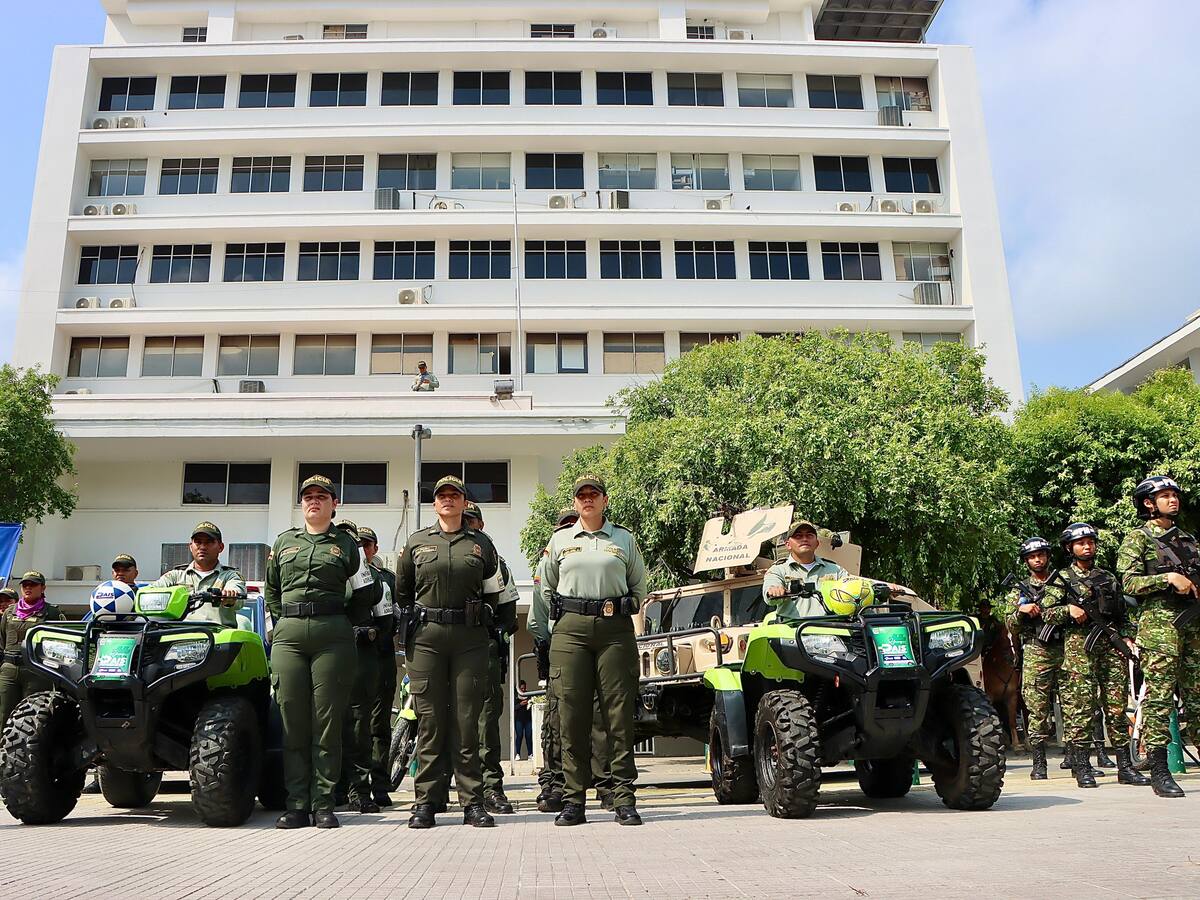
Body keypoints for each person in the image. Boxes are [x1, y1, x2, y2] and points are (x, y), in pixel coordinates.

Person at [399, 475, 505, 829]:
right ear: (435, 504)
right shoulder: (416, 543)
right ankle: (426, 802)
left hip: (468, 639)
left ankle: (472, 803)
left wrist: (484, 617)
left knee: (466, 722)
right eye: (441, 495)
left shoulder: (481, 544)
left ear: (463, 502)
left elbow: (494, 591)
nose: (448, 500)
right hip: (427, 639)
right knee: (430, 722)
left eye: (454, 495)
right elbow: (403, 592)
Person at [266, 474, 370, 830]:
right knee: (292, 720)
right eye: (308, 496)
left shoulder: (347, 545)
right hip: (289, 636)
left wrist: (341, 620)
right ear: (302, 504)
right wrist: (285, 621)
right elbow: (272, 591)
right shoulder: (284, 542)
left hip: (332, 636)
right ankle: (296, 804)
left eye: (321, 496)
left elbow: (365, 593)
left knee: (326, 723)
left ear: (333, 504)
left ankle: (323, 802)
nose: (314, 501)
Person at [543, 474, 648, 827]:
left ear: (605, 500)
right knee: (571, 717)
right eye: (582, 495)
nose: (587, 499)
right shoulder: (560, 540)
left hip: (614, 629)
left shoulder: (623, 539)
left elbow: (638, 586)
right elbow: (547, 588)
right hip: (570, 630)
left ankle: (623, 799)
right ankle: (573, 801)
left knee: (618, 717)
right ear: (575, 502)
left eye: (594, 493)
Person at [1118, 474, 1200, 798]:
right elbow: (1128, 583)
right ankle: (1159, 770)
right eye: (1165, 495)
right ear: (1148, 503)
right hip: (1160, 630)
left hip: (1193, 627)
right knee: (1160, 699)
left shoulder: (1189, 540)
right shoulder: (1137, 538)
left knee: (1197, 696)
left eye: (1174, 495)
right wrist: (1167, 579)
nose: (1173, 500)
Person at [1040, 523, 1130, 789]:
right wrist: (1067, 610)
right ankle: (1082, 767)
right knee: (1081, 708)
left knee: (1116, 707)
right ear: (1070, 548)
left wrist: (1127, 636)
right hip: (1080, 649)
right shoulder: (1061, 579)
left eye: (1091, 542)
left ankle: (1125, 767)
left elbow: (1123, 613)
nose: (1087, 547)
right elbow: (1046, 612)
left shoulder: (1107, 577)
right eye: (1081, 543)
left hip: (1109, 646)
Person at [461, 501, 520, 815]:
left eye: (471, 520)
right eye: (463, 520)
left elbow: (508, 613)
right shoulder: (442, 554)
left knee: (485, 722)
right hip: (448, 647)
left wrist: (494, 631)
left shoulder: (497, 562)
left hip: (483, 648)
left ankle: (491, 788)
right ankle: (443, 788)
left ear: (481, 525)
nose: (467, 525)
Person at [336, 520, 385, 814]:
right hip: (326, 649)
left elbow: (384, 618)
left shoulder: (371, 576)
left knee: (358, 725)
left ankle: (359, 789)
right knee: (327, 722)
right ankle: (331, 789)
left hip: (359, 654)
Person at [1003, 537, 1061, 780]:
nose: (1037, 560)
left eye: (1041, 555)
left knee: (1076, 706)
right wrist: (1021, 611)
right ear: (1026, 561)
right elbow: (1010, 624)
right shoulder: (1019, 590)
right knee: (1036, 708)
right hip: (1036, 650)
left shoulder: (1062, 583)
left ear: (1048, 556)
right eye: (1032, 557)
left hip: (1067, 648)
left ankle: (1079, 761)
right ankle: (1039, 762)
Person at [358, 526, 399, 808]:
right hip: (353, 657)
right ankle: (353, 786)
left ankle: (380, 784)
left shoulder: (387, 579)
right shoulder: (344, 576)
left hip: (381, 657)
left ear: (374, 548)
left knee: (379, 725)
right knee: (353, 723)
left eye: (367, 545)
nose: (363, 550)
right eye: (358, 545)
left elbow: (396, 615)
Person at [147, 522, 245, 625]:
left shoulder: (230, 576)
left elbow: (237, 596)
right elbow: (149, 593)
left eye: (209, 542)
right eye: (198, 542)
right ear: (191, 547)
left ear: (221, 547)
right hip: (178, 632)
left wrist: (229, 597)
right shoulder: (175, 577)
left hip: (216, 633)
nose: (202, 547)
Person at [0, 572, 63, 726]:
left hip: (36, 670)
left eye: (33, 584)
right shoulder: (9, 612)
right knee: (3, 713)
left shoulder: (52, 612)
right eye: (25, 585)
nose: (28, 588)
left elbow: (59, 644)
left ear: (43, 588)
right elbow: (2, 640)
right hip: (9, 669)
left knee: (32, 716)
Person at [762, 520, 850, 618]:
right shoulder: (778, 570)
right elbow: (770, 594)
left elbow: (853, 589)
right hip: (792, 626)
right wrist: (775, 591)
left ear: (817, 543)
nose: (804, 539)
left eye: (809, 535)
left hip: (830, 626)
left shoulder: (836, 570)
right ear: (788, 544)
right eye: (798, 536)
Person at [514, 680, 534, 759]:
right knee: (519, 736)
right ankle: (517, 754)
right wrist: (520, 704)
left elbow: (532, 703)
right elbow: (513, 707)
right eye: (521, 688)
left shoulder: (528, 695)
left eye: (524, 688)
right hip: (519, 719)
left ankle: (530, 754)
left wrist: (529, 702)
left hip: (528, 719)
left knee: (529, 736)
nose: (523, 690)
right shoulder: (515, 696)